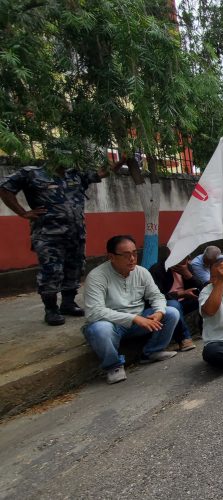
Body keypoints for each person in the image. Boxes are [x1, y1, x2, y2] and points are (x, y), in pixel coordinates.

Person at [0, 151, 123, 325]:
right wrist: (23, 213)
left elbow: (102, 173)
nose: (69, 160)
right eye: (65, 157)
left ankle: (68, 304)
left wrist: (120, 162)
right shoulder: (32, 173)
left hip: (76, 234)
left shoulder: (75, 175)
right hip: (49, 236)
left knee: (75, 268)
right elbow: (5, 188)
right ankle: (51, 310)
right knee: (51, 272)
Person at [83, 235, 180, 384]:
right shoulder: (97, 276)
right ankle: (113, 366)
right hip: (113, 324)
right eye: (126, 255)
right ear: (111, 256)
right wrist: (133, 318)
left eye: (135, 253)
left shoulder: (141, 272)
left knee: (171, 312)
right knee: (100, 329)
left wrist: (159, 312)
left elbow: (157, 296)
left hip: (139, 320)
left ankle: (152, 352)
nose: (132, 258)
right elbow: (94, 312)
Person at [149, 256, 201, 352]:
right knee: (174, 305)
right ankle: (184, 339)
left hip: (186, 301)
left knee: (205, 297)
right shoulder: (158, 269)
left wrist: (188, 275)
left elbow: (201, 288)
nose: (186, 260)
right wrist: (179, 294)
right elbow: (157, 297)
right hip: (169, 303)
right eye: (183, 257)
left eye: (187, 257)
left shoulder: (187, 267)